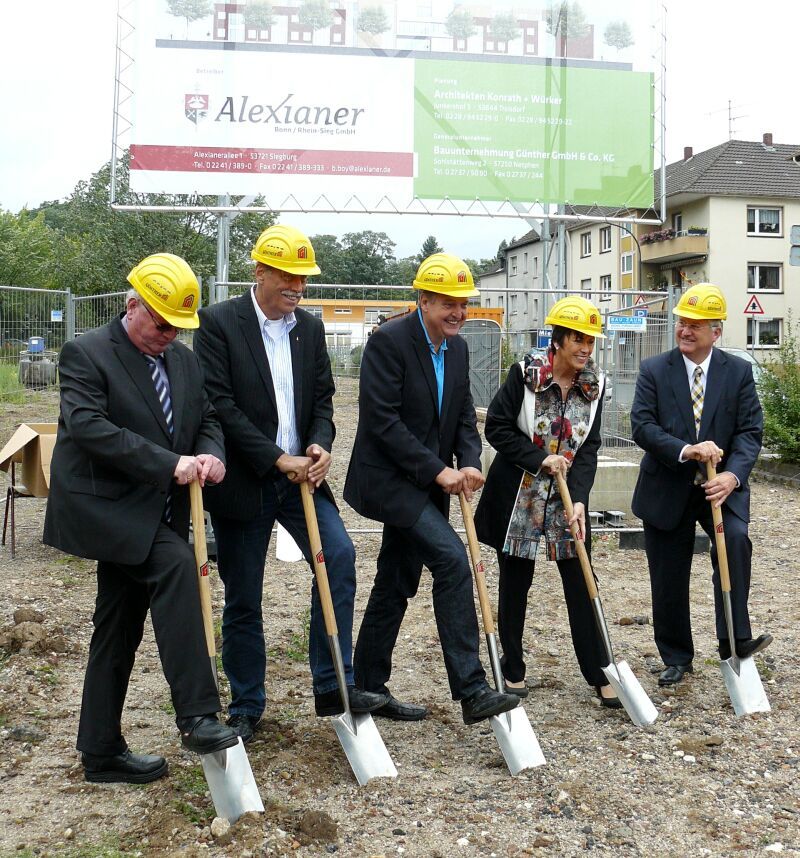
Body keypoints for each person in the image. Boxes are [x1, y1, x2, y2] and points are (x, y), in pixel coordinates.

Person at [43, 253, 238, 784]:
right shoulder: (86, 353)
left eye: (177, 327)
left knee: (118, 625)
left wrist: (210, 451)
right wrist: (169, 463)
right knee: (176, 566)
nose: (168, 335)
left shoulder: (184, 360)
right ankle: (197, 715)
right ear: (133, 305)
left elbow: (208, 417)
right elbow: (88, 428)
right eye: (160, 323)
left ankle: (101, 751)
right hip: (107, 507)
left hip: (158, 507)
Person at [193, 224, 387, 743]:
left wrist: (320, 444)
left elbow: (322, 398)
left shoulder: (308, 329)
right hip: (247, 482)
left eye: (302, 279)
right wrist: (278, 459)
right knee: (244, 597)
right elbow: (220, 407)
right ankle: (247, 704)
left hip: (304, 479)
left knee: (340, 557)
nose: (296, 288)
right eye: (287, 277)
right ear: (259, 271)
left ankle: (333, 683)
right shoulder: (219, 324)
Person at [345, 253, 520, 725]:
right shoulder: (388, 343)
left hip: (429, 484)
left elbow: (463, 413)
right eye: (448, 304)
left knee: (396, 580)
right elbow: (383, 422)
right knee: (451, 560)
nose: (459, 313)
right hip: (390, 481)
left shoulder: (458, 348)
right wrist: (437, 471)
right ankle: (471, 688)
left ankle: (366, 685)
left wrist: (469, 460)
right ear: (423, 300)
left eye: (463, 305)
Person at [474, 296, 621, 708]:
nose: (585, 349)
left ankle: (599, 671)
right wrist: (539, 458)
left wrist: (582, 501)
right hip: (520, 494)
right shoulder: (525, 374)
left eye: (590, 341)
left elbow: (589, 447)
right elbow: (498, 428)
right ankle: (514, 665)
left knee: (581, 581)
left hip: (567, 499)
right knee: (516, 580)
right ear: (557, 339)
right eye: (577, 339)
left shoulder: (595, 386)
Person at [630, 283, 771, 687]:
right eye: (682, 323)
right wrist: (686, 450)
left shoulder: (738, 372)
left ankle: (734, 641)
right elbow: (643, 426)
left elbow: (749, 431)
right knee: (668, 573)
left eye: (696, 325)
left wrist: (733, 475)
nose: (686, 331)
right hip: (668, 486)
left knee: (737, 542)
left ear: (716, 331)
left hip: (720, 488)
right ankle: (677, 656)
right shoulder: (655, 369)